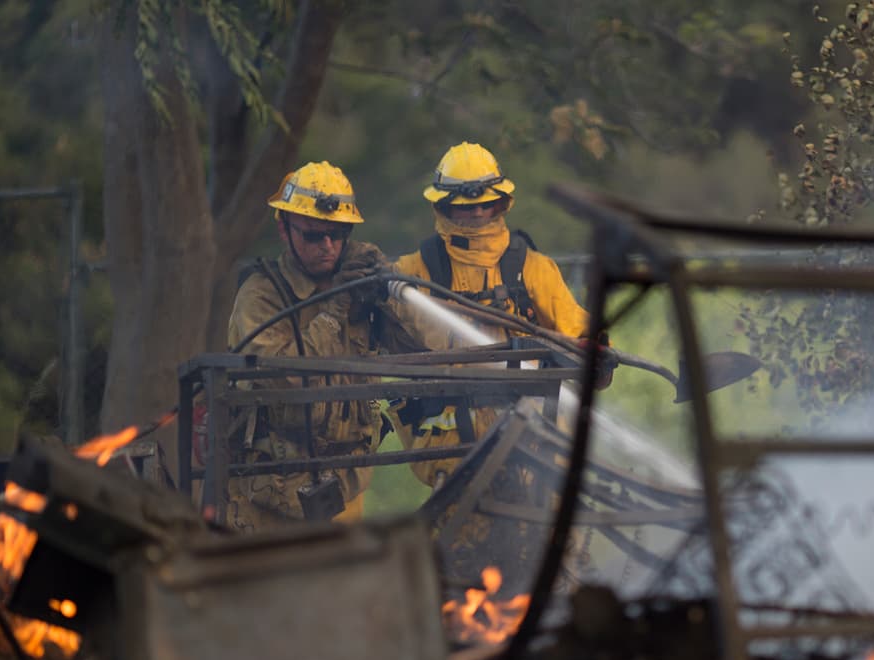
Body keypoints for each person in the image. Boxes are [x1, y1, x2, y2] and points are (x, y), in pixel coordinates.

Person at [223, 160, 430, 532]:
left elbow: (422, 349)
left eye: (338, 234)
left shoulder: (357, 289)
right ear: (284, 229)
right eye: (314, 236)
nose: (328, 246)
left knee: (338, 589)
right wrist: (336, 308)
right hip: (271, 492)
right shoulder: (259, 296)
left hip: (343, 486)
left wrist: (389, 293)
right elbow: (283, 382)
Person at [393, 141, 613, 489]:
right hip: (452, 458)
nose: (478, 215)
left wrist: (594, 349)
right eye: (467, 208)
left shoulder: (532, 269)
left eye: (486, 205)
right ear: (444, 207)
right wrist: (366, 278)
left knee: (546, 539)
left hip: (533, 446)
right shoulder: (411, 274)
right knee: (459, 540)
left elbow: (577, 327)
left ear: (501, 203)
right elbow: (368, 326)